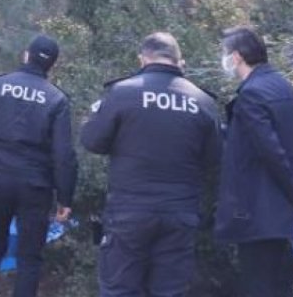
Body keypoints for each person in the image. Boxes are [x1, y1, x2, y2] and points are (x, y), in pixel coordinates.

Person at [81, 32, 222, 297]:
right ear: (179, 61)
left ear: (143, 58)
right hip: (179, 214)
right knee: (169, 291)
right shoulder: (203, 101)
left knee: (120, 290)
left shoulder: (123, 93)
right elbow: (214, 158)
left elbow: (92, 141)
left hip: (129, 212)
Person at [0, 35, 76, 297]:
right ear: (52, 65)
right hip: (36, 187)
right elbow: (63, 154)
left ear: (25, 55)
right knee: (29, 257)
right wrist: (65, 197)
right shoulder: (57, 100)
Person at [212, 26, 293, 297]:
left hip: (256, 209)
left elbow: (269, 150)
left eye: (226, 53)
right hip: (280, 211)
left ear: (237, 56)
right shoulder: (282, 85)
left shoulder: (251, 93)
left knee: (259, 284)